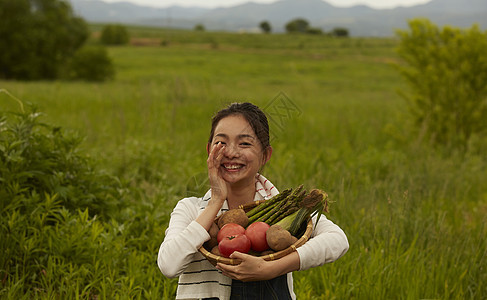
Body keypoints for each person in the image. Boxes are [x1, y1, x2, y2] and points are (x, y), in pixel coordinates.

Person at [158, 102, 349, 299]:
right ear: (209, 151)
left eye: (245, 143)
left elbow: (338, 240)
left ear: (265, 155)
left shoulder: (283, 208)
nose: (231, 152)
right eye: (221, 143)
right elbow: (168, 265)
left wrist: (271, 269)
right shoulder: (191, 209)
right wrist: (215, 201)